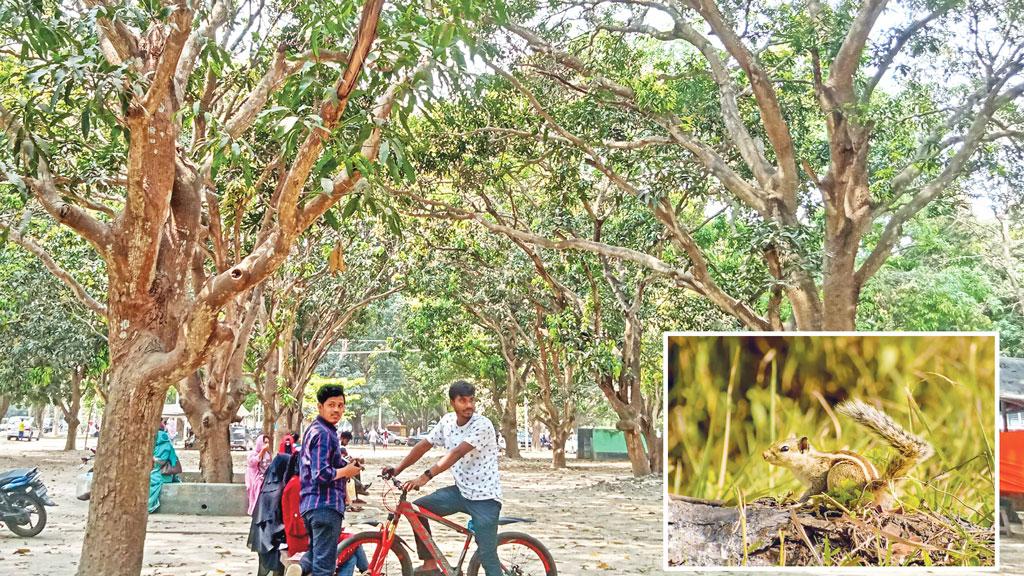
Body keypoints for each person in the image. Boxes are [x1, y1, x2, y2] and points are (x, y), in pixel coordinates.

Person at [383, 380, 502, 576]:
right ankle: (430, 564)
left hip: (485, 498)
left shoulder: (483, 425)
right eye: (462, 401)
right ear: (452, 403)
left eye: (471, 400)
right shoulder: (447, 421)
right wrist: (397, 469)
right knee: (418, 510)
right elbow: (424, 445)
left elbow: (456, 453)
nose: (469, 405)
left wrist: (425, 477)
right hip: (461, 492)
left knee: (487, 556)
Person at [285, 385, 362, 576]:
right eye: (331, 405)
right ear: (320, 407)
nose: (336, 409)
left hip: (310, 506)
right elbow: (321, 474)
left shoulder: (314, 429)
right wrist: (347, 471)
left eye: (340, 405)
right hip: (325, 506)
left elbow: (323, 463)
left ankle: (300, 567)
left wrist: (346, 464)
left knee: (317, 553)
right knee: (324, 567)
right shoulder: (325, 434)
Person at [248, 451, 292, 575]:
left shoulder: (267, 486)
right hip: (273, 538)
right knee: (277, 569)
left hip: (262, 536)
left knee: (263, 568)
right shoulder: (279, 489)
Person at [148, 427, 181, 512]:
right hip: (157, 471)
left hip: (163, 474)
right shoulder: (158, 446)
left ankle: (149, 504)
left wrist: (154, 458)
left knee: (151, 480)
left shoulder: (165, 447)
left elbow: (162, 462)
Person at [247, 434, 273, 515]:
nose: (266, 445)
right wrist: (262, 451)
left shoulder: (268, 454)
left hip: (265, 476)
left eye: (268, 443)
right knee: (259, 485)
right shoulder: (253, 453)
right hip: (254, 476)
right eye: (265, 442)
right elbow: (253, 463)